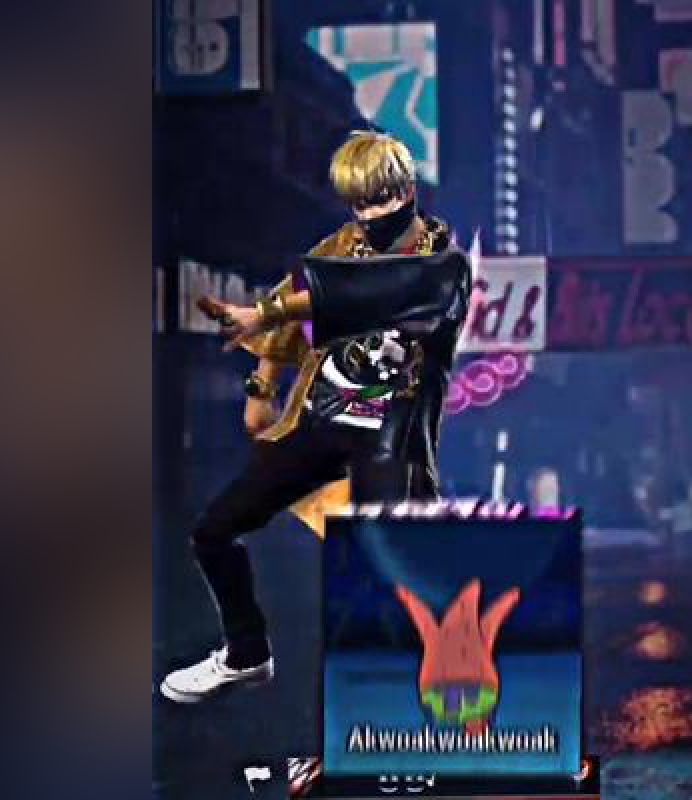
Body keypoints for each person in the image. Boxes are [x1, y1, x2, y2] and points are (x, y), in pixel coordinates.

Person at [161, 131, 471, 702]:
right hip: (322, 418)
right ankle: (245, 653)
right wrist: (262, 386)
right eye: (357, 204)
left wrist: (267, 310)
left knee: (391, 569)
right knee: (214, 530)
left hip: (390, 433)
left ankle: (422, 699)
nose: (368, 216)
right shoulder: (341, 246)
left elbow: (366, 292)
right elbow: (292, 308)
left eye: (379, 201)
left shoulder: (443, 263)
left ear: (406, 191)